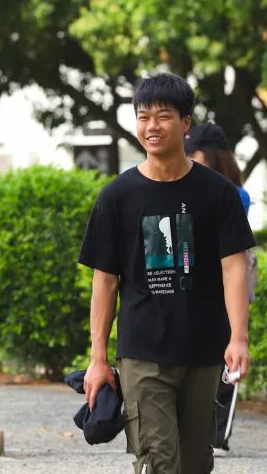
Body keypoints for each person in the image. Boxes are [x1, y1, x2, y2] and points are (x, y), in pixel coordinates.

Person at [79, 73, 255, 474]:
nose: (151, 126)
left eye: (163, 116)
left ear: (186, 123)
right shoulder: (116, 197)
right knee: (160, 462)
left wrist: (239, 337)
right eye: (143, 117)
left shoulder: (218, 193)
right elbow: (104, 281)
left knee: (195, 464)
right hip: (143, 353)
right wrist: (98, 359)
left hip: (204, 352)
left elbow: (234, 267)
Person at [183, 121, 256, 451]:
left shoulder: (233, 195)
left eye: (194, 156)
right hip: (202, 279)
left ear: (211, 157)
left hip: (230, 278)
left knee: (228, 353)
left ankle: (218, 433)